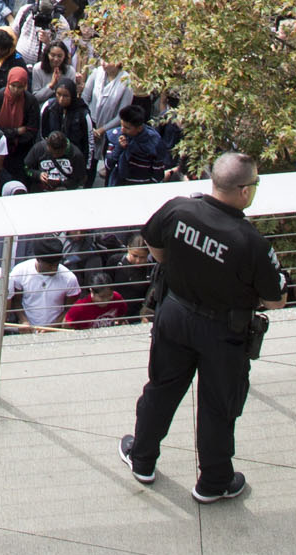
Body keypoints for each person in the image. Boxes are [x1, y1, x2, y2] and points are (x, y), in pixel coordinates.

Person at [118, 150, 283, 505]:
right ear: (244, 191)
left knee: (161, 388)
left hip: (174, 313)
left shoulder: (179, 208)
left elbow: (153, 244)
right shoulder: (251, 241)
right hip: (223, 332)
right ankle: (214, 480)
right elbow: (275, 300)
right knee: (218, 406)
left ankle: (142, 458)